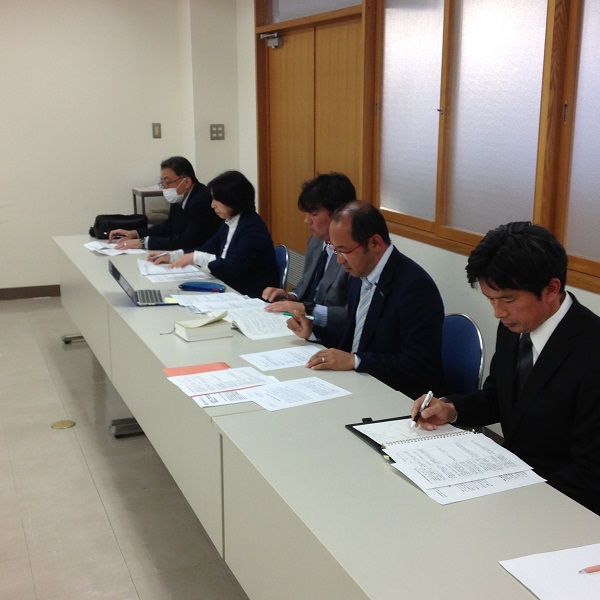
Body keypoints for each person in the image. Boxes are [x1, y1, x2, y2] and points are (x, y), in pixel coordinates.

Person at [411, 221, 600, 515]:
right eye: (491, 299)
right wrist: (451, 408)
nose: (498, 313)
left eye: (508, 300)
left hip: (564, 508)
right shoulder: (515, 326)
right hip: (514, 483)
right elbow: (499, 396)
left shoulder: (591, 351)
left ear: (551, 289)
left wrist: (514, 498)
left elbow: (590, 472)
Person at [288, 200, 444, 399]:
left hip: (397, 397)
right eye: (335, 250)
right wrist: (313, 332)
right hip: (358, 384)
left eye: (344, 251)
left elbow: (417, 365)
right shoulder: (359, 273)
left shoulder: (415, 287)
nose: (339, 260)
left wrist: (355, 361)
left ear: (374, 244)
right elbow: (355, 336)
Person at [148, 170, 279, 298]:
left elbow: (234, 268)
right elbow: (207, 249)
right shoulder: (228, 221)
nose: (212, 205)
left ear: (233, 200)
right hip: (229, 288)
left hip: (249, 296)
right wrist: (173, 256)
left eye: (217, 200)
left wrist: (196, 257)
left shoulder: (252, 227)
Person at [262, 172, 356, 327]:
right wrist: (290, 296)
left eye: (314, 214)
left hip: (328, 333)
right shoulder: (316, 241)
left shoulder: (353, 253)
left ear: (338, 214)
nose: (307, 220)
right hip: (302, 323)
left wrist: (308, 310)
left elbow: (352, 314)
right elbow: (306, 282)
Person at [108, 156, 220, 250]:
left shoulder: (201, 201)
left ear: (186, 182)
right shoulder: (180, 196)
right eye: (163, 183)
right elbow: (168, 227)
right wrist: (135, 233)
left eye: (168, 182)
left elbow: (187, 241)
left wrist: (143, 242)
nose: (165, 188)